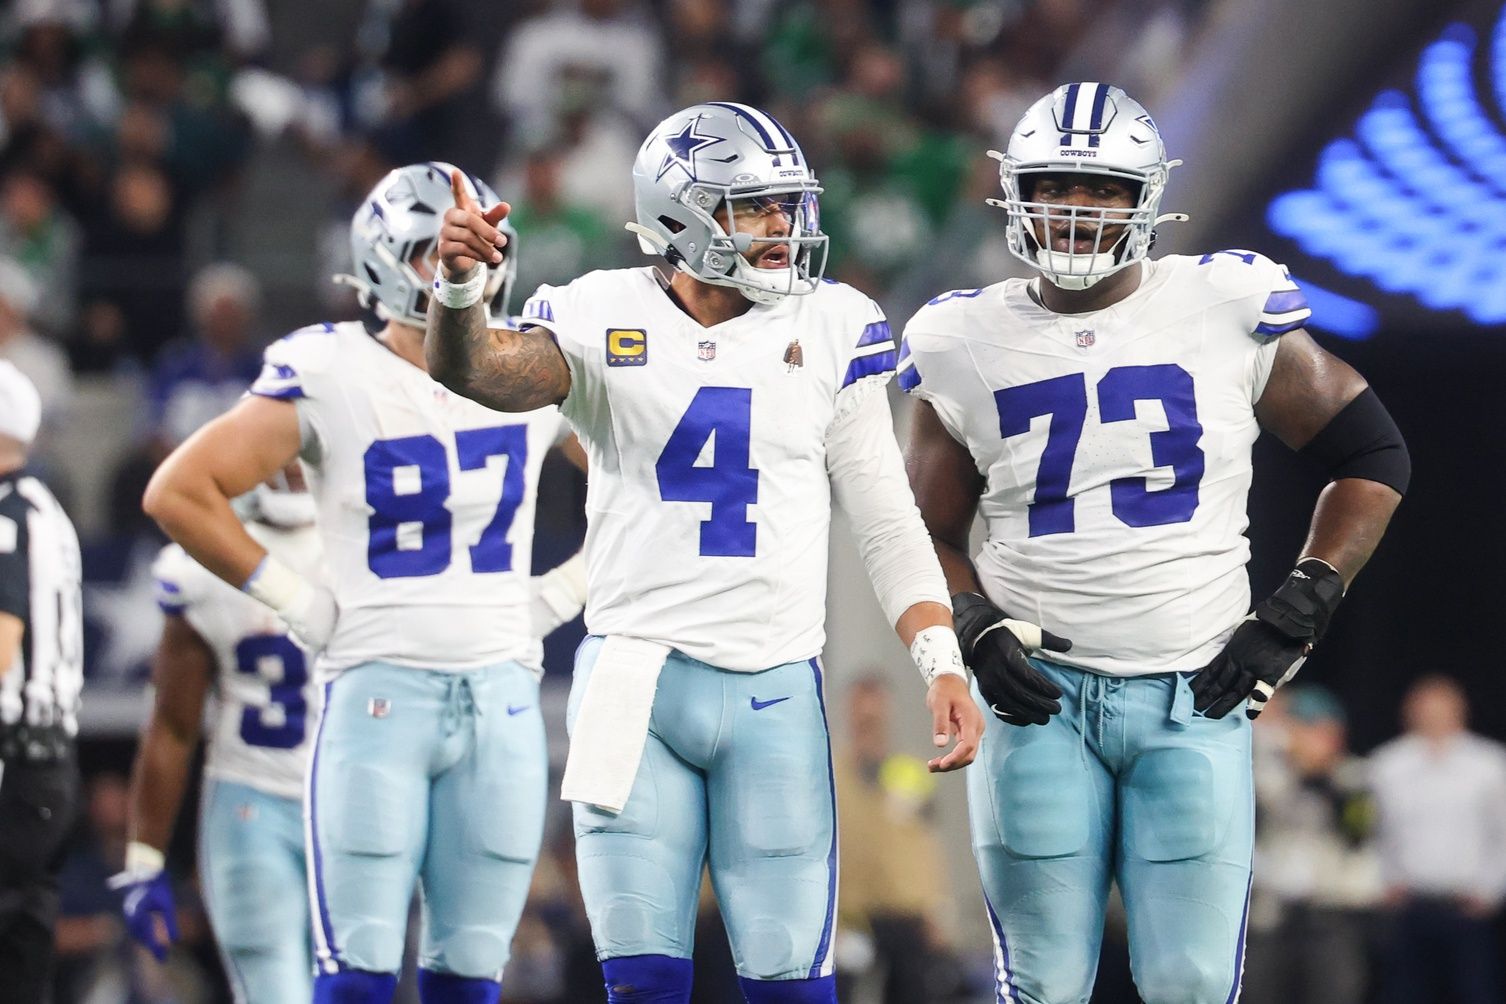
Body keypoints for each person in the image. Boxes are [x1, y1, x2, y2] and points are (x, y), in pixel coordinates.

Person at [425, 101, 989, 1003]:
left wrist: (937, 658)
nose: (781, 228)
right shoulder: (599, 310)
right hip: (633, 686)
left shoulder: (835, 321)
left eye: (784, 205)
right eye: (754, 207)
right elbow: (479, 372)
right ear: (683, 216)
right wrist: (459, 293)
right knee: (642, 988)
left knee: (793, 989)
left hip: (773, 688)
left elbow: (886, 518)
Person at [900, 82, 1410, 1004]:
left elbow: (1371, 456)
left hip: (1195, 692)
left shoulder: (1221, 301)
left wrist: (1302, 603)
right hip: (1038, 699)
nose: (1075, 208)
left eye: (1100, 187)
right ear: (1014, 190)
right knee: (1043, 984)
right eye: (1056, 183)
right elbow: (923, 531)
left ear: (1147, 198)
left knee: (1190, 982)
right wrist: (970, 621)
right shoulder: (960, 335)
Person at [142, 161, 587, 1004]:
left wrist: (565, 594)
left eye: (484, 246)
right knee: (357, 977)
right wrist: (299, 602)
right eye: (436, 252)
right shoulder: (331, 367)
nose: (466, 268)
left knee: (471, 978)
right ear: (385, 263)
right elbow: (178, 491)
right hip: (379, 693)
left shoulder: (528, 362)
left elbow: (647, 486)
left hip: (501, 695)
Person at [111, 467, 325, 1001]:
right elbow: (174, 727)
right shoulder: (378, 549)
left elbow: (173, 729)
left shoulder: (203, 562)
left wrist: (145, 860)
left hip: (258, 804)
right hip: (317, 802)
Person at [0, 359, 84, 1002]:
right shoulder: (44, 509)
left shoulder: (5, 514)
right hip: (48, 765)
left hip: (11, 757)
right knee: (23, 951)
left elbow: (3, 635)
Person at [1369, 675, 1506, 1004]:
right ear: (1409, 713)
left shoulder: (1488, 764)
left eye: (1440, 709)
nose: (1432, 717)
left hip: (1467, 908)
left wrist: (1489, 892)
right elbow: (1373, 832)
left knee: (1474, 993)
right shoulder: (1386, 764)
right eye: (1424, 709)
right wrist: (1384, 882)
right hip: (1407, 906)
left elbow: (1501, 834)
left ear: (1460, 711)